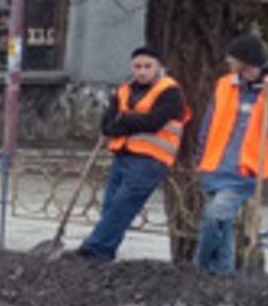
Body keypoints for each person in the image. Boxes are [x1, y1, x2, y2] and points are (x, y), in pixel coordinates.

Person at [193, 34, 268, 274]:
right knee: (224, 225)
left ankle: (199, 268)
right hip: (215, 166)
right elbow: (209, 124)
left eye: (239, 63)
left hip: (246, 171)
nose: (236, 68)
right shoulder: (226, 84)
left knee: (214, 216)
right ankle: (223, 274)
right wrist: (201, 158)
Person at [77, 46, 189, 261]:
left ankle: (94, 248)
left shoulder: (170, 91)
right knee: (110, 207)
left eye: (148, 66)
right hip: (122, 154)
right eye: (137, 66)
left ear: (158, 67)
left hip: (151, 159)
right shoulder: (124, 90)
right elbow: (107, 126)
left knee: (122, 205)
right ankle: (103, 253)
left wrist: (125, 119)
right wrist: (131, 121)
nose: (142, 71)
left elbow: (153, 122)